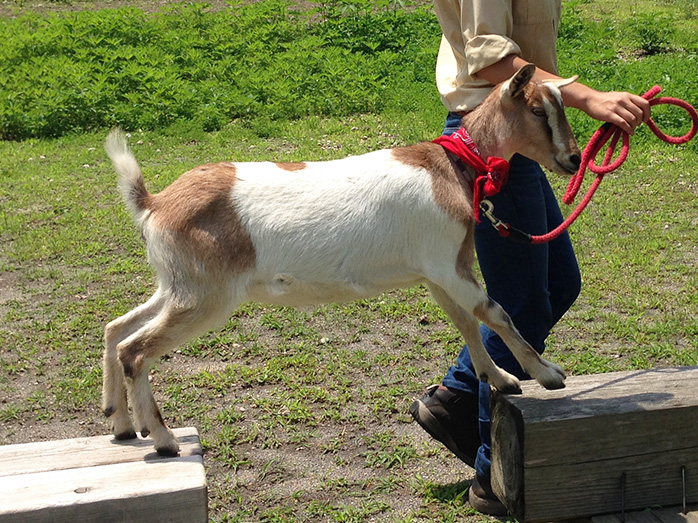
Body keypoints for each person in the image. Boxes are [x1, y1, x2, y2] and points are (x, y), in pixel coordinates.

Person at [410, 0, 651, 516]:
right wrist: (587, 98)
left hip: (517, 129)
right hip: (494, 132)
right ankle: (490, 473)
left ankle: (454, 401)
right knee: (523, 302)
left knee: (559, 283)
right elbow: (489, 56)